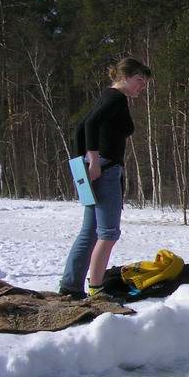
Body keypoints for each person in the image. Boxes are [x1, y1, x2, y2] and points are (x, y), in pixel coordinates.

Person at [59, 57, 151, 298]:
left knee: (90, 232)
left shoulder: (109, 97)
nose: (142, 86)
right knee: (108, 233)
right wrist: (93, 160)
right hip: (107, 171)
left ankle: (70, 286)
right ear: (124, 77)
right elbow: (90, 123)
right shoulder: (116, 97)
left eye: (145, 82)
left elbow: (82, 127)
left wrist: (84, 162)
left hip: (101, 168)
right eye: (139, 80)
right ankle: (97, 290)